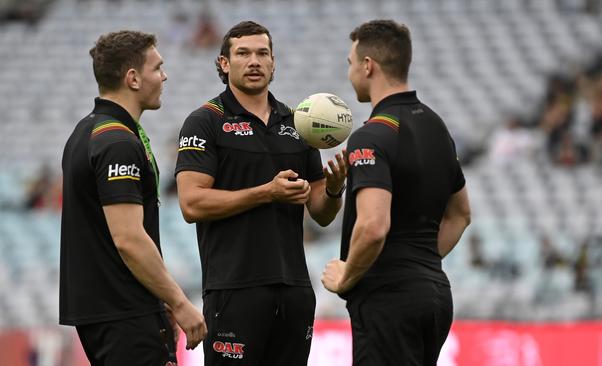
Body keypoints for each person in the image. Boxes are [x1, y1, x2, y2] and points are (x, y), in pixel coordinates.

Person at [175, 21, 347, 365]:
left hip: (295, 289)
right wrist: (267, 192)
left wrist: (333, 187)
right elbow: (191, 203)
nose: (253, 61)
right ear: (224, 63)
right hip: (234, 288)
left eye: (262, 53)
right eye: (243, 53)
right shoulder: (206, 121)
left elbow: (321, 213)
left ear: (273, 62)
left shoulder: (299, 123)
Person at [321, 20, 471, 366]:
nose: (350, 73)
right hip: (434, 294)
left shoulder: (370, 136)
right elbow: (461, 214)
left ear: (368, 65)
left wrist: (347, 276)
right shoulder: (436, 126)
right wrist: (419, 264)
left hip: (389, 301)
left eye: (350, 63)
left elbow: (373, 226)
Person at [59, 30, 206, 365]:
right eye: (158, 68)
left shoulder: (85, 132)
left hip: (108, 311)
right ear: (133, 78)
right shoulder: (117, 141)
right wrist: (179, 301)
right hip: (124, 311)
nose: (164, 76)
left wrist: (159, 297)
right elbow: (128, 238)